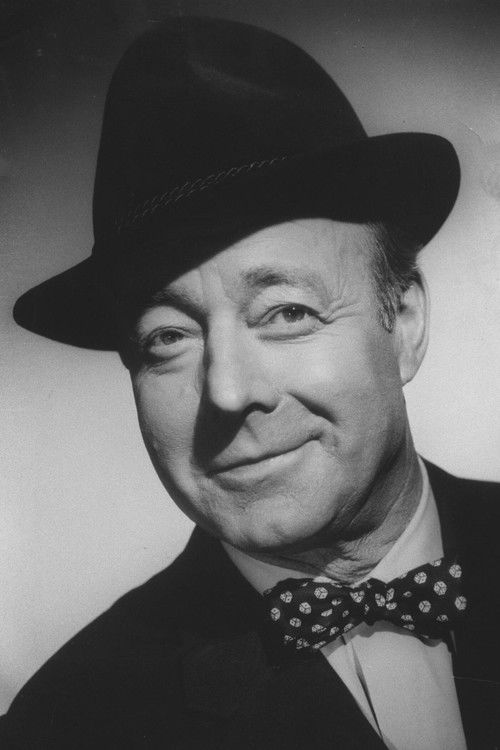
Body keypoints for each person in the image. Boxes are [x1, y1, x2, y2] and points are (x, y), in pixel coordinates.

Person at [2, 15, 499, 750]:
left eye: (287, 312)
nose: (230, 392)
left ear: (404, 323)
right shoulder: (67, 726)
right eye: (168, 338)